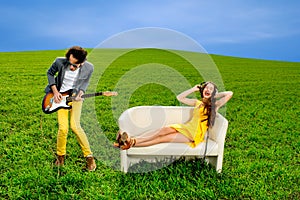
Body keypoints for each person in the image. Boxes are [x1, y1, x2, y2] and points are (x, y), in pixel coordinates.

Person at [114, 81, 233, 150]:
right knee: (160, 131)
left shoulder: (215, 105)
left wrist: (214, 94)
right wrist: (193, 89)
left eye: (211, 89)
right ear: (202, 90)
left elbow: (229, 94)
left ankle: (131, 143)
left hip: (194, 134)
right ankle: (130, 141)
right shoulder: (197, 103)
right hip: (185, 127)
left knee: (162, 139)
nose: (208, 90)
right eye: (206, 88)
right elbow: (180, 97)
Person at [45, 46, 96, 171]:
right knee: (63, 128)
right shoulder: (59, 61)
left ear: (82, 62)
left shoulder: (89, 67)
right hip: (60, 98)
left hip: (75, 98)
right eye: (70, 63)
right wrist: (55, 91)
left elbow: (85, 82)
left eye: (75, 65)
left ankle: (89, 158)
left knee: (75, 126)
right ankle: (60, 157)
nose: (71, 67)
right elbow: (50, 73)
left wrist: (81, 92)